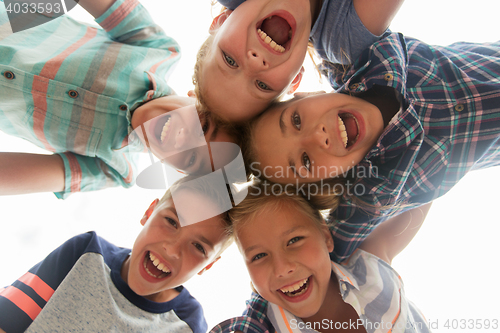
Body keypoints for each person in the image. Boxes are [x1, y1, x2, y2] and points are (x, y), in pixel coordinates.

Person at [240, 32, 500, 262]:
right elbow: (324, 259)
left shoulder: (356, 54)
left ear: (307, 94)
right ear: (325, 179)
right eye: (305, 162)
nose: (318, 137)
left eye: (296, 120)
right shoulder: (370, 197)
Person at [0, 0, 234, 198]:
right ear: (196, 95)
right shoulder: (160, 50)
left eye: (192, 158)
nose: (184, 141)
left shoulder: (114, 170)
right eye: (203, 126)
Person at [0, 175, 234, 333]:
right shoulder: (85, 253)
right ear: (149, 212)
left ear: (209, 265)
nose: (172, 250)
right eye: (172, 221)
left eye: (199, 247)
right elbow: (6, 319)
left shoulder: (189, 324)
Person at [211, 183, 432, 333]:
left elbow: (429, 187)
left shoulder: (369, 266)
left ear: (326, 236)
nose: (282, 268)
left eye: (294, 240)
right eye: (258, 256)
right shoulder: (261, 326)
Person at [192, 0, 404, 122]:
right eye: (262, 85)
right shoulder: (344, 39)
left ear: (221, 21)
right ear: (295, 80)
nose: (255, 63)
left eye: (229, 60)